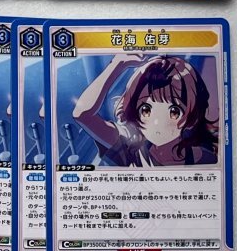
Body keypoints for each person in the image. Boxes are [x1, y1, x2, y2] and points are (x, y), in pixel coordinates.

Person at [73, 53, 218, 167]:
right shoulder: (131, 148)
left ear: (191, 116)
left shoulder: (205, 159)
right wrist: (117, 64)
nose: (157, 122)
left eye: (174, 112)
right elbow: (82, 114)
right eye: (146, 110)